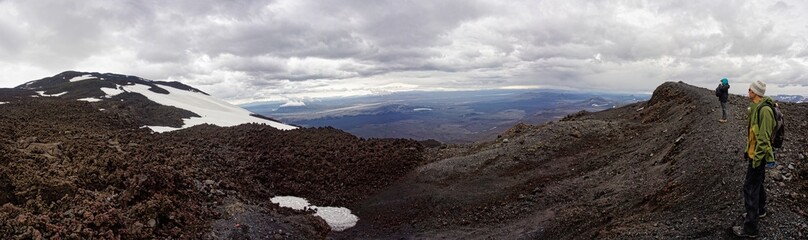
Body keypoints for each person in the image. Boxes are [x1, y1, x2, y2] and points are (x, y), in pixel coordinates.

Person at [732, 80, 776, 238]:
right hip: (754, 153)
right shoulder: (757, 107)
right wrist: (747, 150)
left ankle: (751, 228)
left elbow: (763, 139)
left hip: (758, 156)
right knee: (758, 182)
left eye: (750, 89)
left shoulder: (764, 110)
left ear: (755, 92)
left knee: (749, 188)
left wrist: (756, 158)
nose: (748, 91)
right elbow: (752, 134)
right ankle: (760, 210)